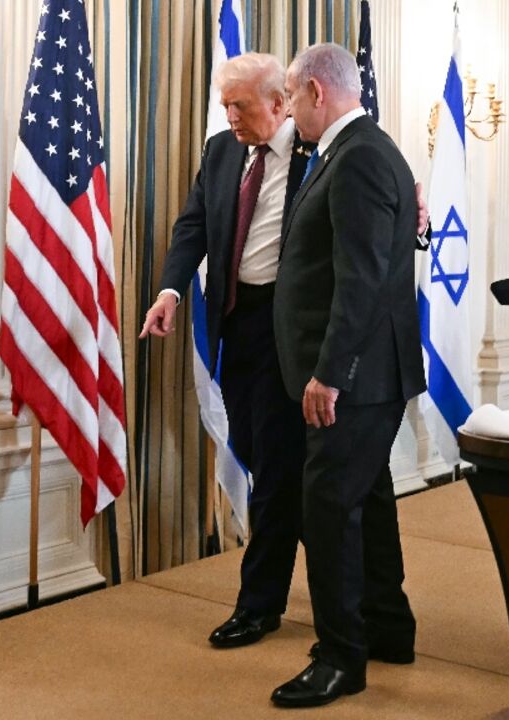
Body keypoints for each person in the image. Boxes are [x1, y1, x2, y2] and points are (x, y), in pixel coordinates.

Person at [269, 43, 426, 709]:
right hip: (370, 372)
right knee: (369, 499)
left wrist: (330, 373)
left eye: (290, 98)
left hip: (353, 374)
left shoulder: (356, 155)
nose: (287, 112)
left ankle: (341, 656)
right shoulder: (362, 147)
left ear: (314, 92)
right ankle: (386, 627)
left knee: (328, 508)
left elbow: (359, 279)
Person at [138, 53, 311, 651]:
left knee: (278, 472)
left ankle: (258, 606)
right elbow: (193, 227)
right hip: (236, 327)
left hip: (291, 336)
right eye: (224, 104)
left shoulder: (317, 154)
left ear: (280, 103)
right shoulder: (220, 151)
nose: (229, 116)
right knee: (267, 462)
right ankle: (352, 586)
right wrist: (169, 291)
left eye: (240, 105)